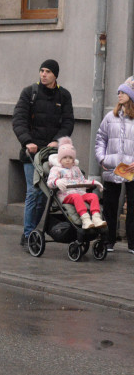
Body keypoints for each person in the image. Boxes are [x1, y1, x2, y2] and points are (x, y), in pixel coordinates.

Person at [12, 60, 75, 247]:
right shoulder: (29, 93)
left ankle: (34, 231)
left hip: (53, 154)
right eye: (41, 70)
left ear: (55, 75)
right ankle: (28, 232)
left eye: (48, 71)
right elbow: (19, 119)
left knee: (46, 194)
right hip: (32, 153)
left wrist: (57, 140)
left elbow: (68, 122)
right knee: (34, 192)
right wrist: (27, 141)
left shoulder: (63, 95)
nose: (43, 74)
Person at [94, 77, 134, 252]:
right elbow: (100, 138)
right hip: (112, 166)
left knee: (133, 205)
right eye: (118, 92)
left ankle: (132, 243)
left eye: (123, 92)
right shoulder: (111, 116)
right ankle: (108, 240)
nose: (119, 95)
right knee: (110, 205)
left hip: (131, 168)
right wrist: (102, 158)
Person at [47, 137, 106, 230]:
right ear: (59, 159)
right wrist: (56, 181)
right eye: (65, 157)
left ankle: (96, 217)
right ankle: (85, 219)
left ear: (73, 160)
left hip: (80, 193)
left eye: (70, 158)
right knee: (76, 196)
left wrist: (94, 183)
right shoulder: (56, 169)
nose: (67, 160)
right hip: (66, 195)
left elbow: (82, 181)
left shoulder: (76, 169)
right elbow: (50, 182)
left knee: (93, 196)